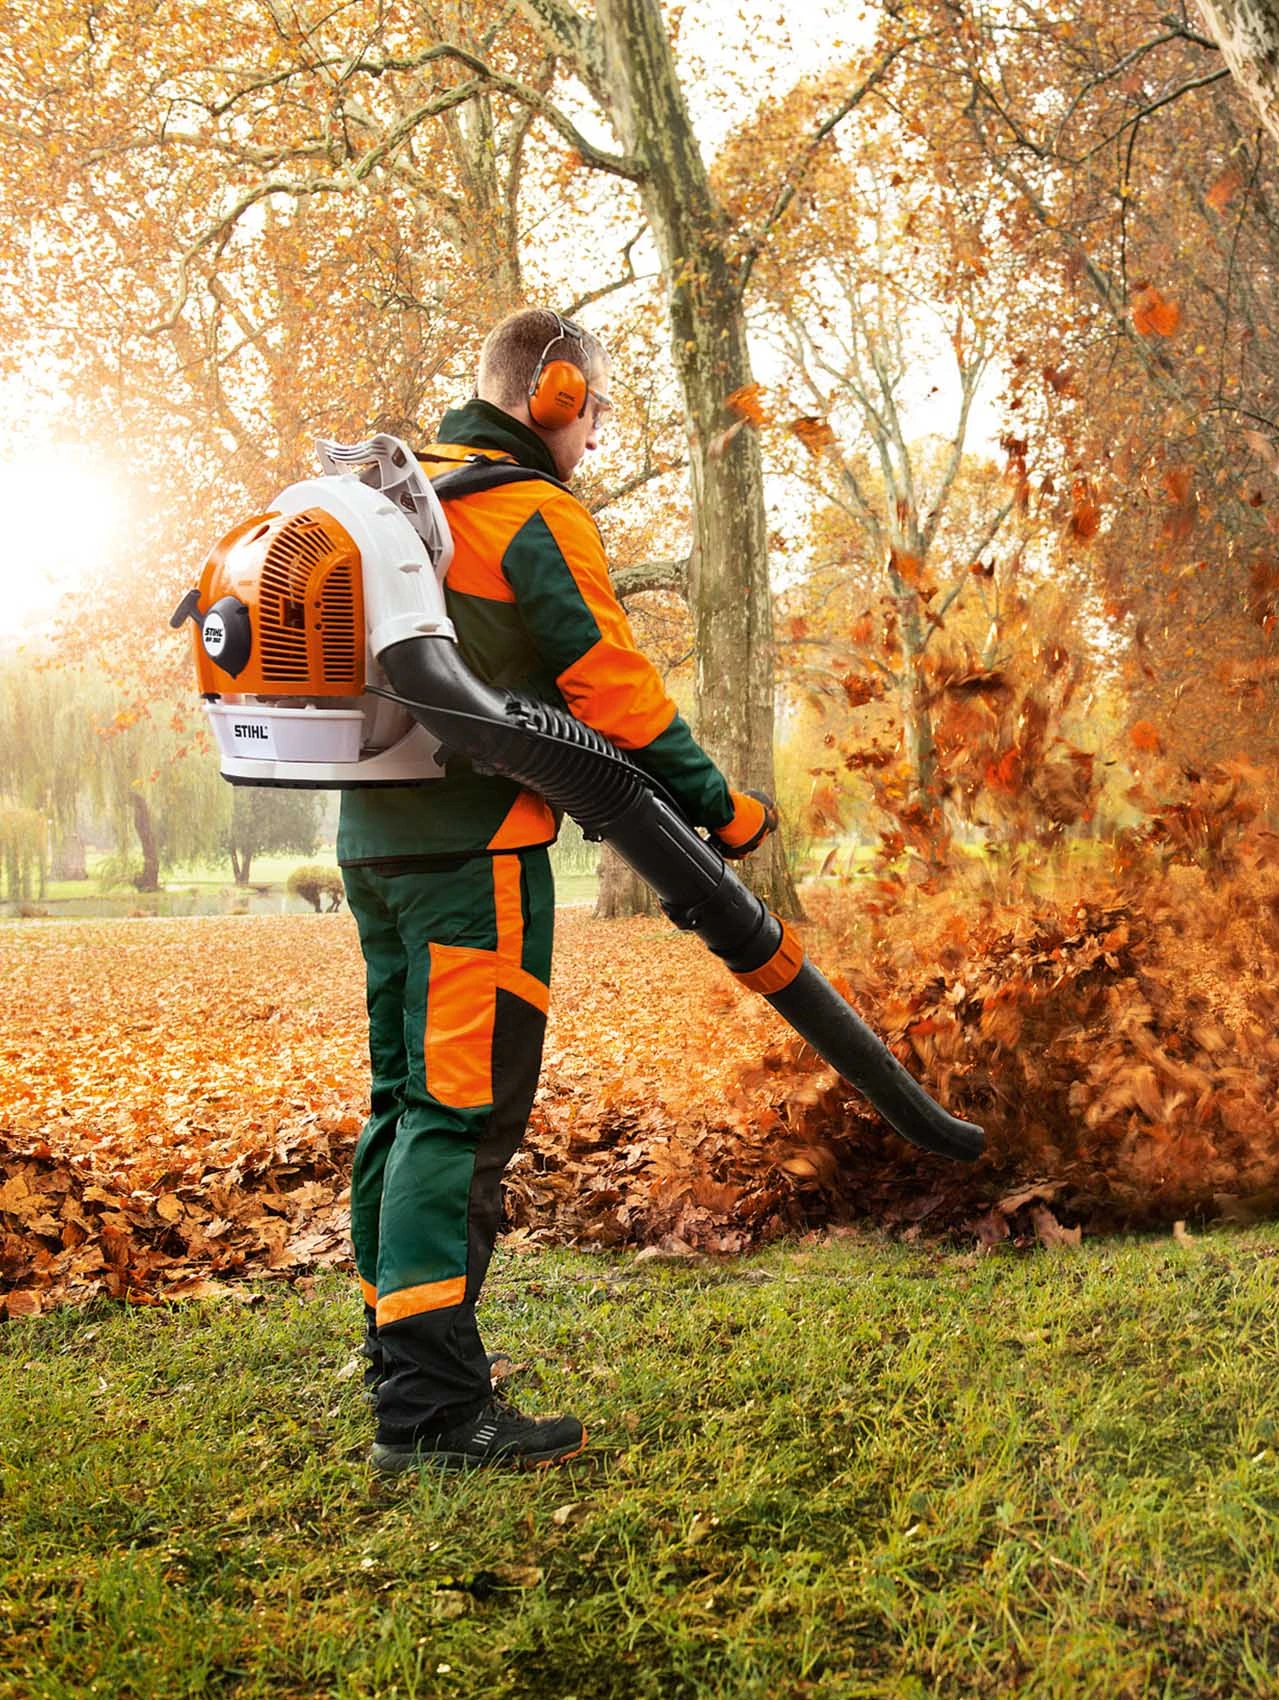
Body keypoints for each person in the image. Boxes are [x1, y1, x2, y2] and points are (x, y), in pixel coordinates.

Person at [339, 308, 776, 1473]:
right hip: (474, 855)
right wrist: (721, 806)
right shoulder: (526, 509)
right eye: (596, 410)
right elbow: (610, 687)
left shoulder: (399, 495)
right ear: (558, 393)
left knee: (401, 1102)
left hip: (374, 843)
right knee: (460, 1114)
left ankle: (398, 1352)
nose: (595, 434)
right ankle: (431, 1408)